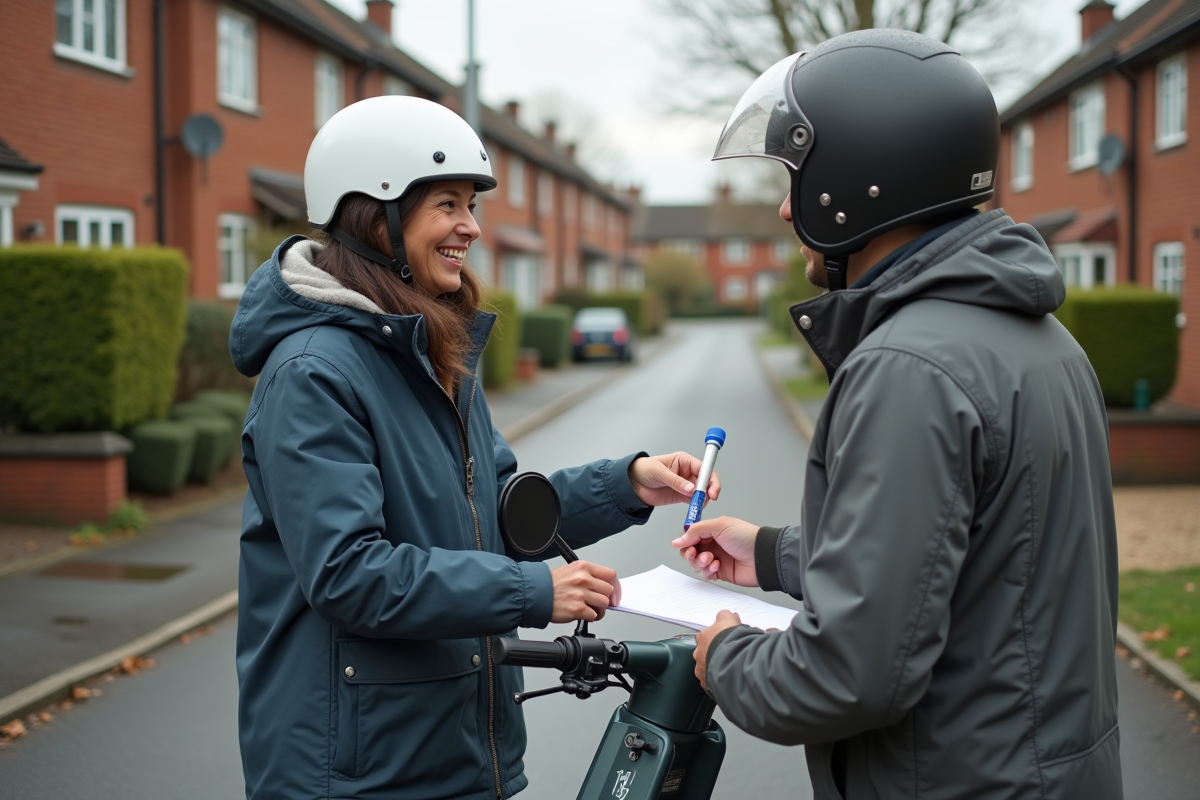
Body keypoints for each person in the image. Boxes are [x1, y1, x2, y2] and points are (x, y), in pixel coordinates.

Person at [673, 29, 1121, 799]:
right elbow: (983, 560)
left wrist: (726, 656)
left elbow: (848, 676)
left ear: (857, 181)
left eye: (796, 175)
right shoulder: (1035, 335)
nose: (785, 207)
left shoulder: (907, 367)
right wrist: (775, 554)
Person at [230, 96, 718, 800]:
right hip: (355, 773)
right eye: (449, 205)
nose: (472, 227)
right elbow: (348, 574)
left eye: (471, 205)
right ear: (379, 218)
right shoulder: (315, 372)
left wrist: (628, 484)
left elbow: (498, 514)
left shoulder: (432, 353)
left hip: (453, 754)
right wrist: (532, 592)